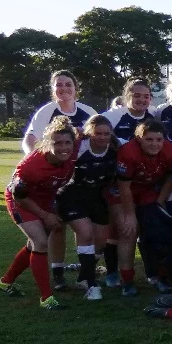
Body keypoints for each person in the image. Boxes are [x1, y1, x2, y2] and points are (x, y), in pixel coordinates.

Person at [0, 117, 76, 310]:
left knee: (34, 245)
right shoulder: (30, 166)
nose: (64, 147)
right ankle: (46, 298)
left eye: (68, 142)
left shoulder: (71, 154)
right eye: (57, 143)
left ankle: (6, 282)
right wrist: (45, 214)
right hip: (21, 201)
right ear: (47, 143)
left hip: (45, 199)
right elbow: (20, 195)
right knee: (40, 242)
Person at [55, 115, 118, 300]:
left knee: (101, 241)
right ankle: (91, 284)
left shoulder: (116, 147)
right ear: (89, 133)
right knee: (85, 233)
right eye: (98, 133)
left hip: (96, 196)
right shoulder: (79, 147)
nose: (102, 137)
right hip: (72, 195)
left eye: (106, 133)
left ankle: (84, 276)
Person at [115, 120, 172, 296]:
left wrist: (160, 202)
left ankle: (158, 276)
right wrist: (130, 214)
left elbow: (169, 176)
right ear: (139, 139)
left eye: (159, 139)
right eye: (149, 139)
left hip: (149, 192)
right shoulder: (128, 152)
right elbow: (123, 186)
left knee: (156, 230)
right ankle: (127, 280)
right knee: (128, 231)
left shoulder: (169, 150)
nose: (155, 144)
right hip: (123, 192)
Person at [22, 70, 97, 154]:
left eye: (68, 85)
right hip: (56, 163)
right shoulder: (46, 111)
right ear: (53, 89)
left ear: (75, 88)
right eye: (59, 85)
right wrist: (29, 156)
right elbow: (30, 138)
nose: (64, 88)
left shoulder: (89, 111)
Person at [101, 78, 154, 143]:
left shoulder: (153, 113)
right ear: (127, 97)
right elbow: (94, 125)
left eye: (146, 97)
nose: (142, 100)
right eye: (137, 96)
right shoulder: (116, 113)